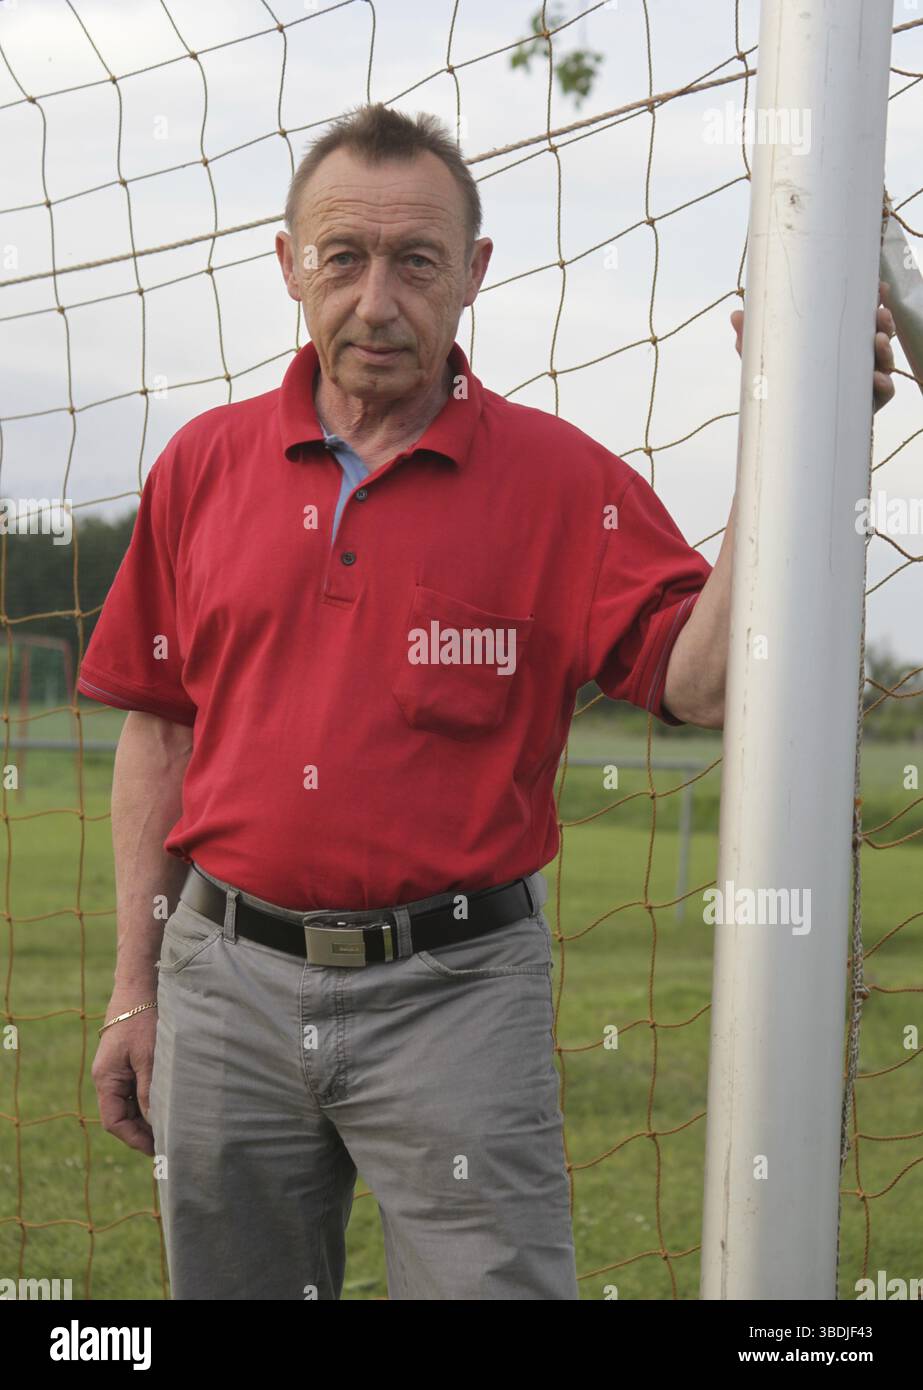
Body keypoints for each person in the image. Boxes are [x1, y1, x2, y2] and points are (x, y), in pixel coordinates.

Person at [85, 102, 896, 1301]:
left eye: (415, 262)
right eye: (342, 258)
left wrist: (793, 431)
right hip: (226, 982)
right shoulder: (201, 465)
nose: (375, 300)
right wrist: (134, 986)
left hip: (455, 994)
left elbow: (708, 676)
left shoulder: (564, 483)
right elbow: (157, 727)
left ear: (472, 274)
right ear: (287, 266)